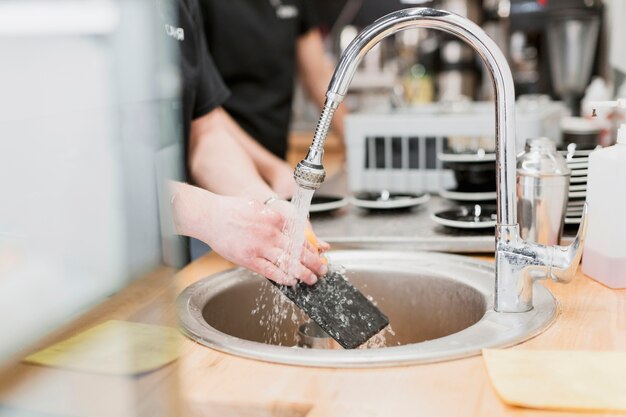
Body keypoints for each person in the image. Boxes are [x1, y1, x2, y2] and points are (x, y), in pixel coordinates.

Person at [160, 0, 328, 285]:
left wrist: (266, 203)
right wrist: (208, 214)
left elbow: (205, 132)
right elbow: (71, 171)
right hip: (83, 281)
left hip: (166, 262)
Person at [199, 0, 347, 198]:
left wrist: (356, 145)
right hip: (219, 169)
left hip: (278, 168)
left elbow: (319, 78)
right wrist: (272, 168)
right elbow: (204, 112)